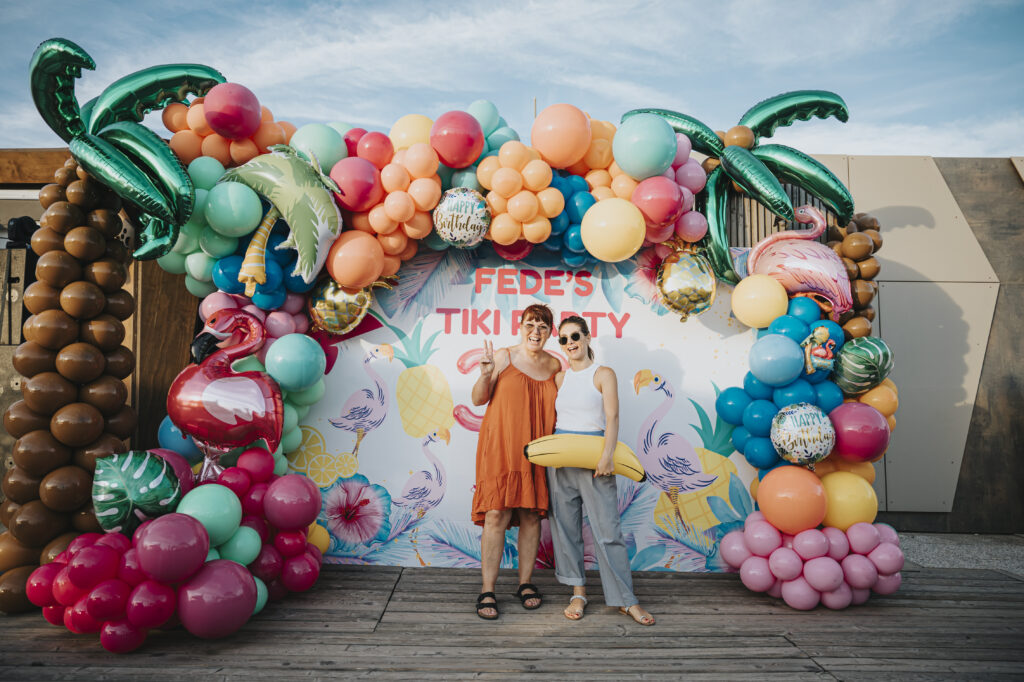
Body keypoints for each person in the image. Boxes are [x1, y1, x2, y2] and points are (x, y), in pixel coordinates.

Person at [547, 316, 655, 626]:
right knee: (566, 529)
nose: (570, 343)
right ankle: (578, 593)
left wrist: (607, 456)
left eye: (575, 336)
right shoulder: (560, 379)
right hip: (561, 459)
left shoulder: (603, 374)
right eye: (564, 339)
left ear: (588, 335)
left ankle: (626, 600)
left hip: (596, 458)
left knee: (608, 532)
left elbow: (613, 417)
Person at [471, 304, 561, 620]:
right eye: (530, 324)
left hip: (536, 449)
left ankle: (525, 583)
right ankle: (487, 589)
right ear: (520, 326)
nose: (536, 332)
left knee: (530, 516)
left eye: (543, 326)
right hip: (500, 446)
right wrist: (484, 375)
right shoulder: (503, 357)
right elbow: (478, 399)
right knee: (496, 513)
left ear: (552, 332)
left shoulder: (555, 365)